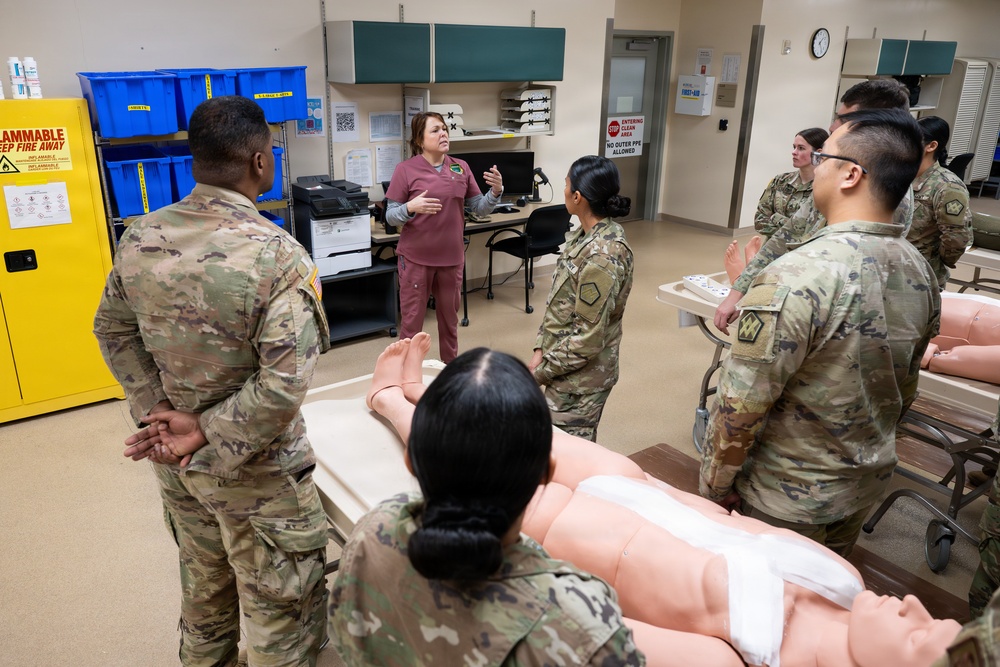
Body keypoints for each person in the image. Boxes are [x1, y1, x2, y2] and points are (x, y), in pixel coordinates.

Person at [354, 334, 961, 667]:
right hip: (641, 493)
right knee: (522, 429)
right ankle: (424, 392)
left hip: (587, 533)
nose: (912, 604)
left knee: (479, 466)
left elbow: (594, 634)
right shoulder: (849, 585)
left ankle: (390, 402)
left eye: (918, 637)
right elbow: (730, 525)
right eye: (933, 616)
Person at [93, 96, 331, 667]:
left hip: (177, 467)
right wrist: (204, 429)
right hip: (258, 474)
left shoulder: (139, 237)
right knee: (283, 615)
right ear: (259, 161)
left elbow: (112, 331)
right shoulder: (278, 255)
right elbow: (281, 383)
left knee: (206, 592)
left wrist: (159, 415)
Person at [699, 108, 941, 557]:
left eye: (823, 156)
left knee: (771, 613)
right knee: (823, 607)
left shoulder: (794, 276)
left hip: (787, 497)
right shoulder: (919, 271)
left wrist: (714, 489)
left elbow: (739, 408)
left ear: (850, 174)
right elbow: (904, 391)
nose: (814, 166)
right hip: (860, 486)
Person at [330, 339, 644, 666]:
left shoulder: (374, 533)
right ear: (546, 475)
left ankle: (394, 399)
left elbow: (345, 632)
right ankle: (395, 397)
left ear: (410, 461)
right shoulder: (585, 624)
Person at [714, 78, 912, 334]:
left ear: (875, 124)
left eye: (843, 118)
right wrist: (738, 291)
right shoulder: (836, 176)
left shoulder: (890, 194)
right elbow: (787, 235)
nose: (833, 126)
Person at [528, 155, 634, 441]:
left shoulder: (602, 256)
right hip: (562, 366)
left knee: (569, 456)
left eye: (565, 184)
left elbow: (588, 338)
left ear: (577, 196)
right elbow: (559, 305)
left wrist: (538, 375)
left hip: (581, 380)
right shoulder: (582, 237)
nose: (563, 190)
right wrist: (540, 349)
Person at [385, 111, 504, 363]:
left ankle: (450, 374)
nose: (443, 134)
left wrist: (495, 191)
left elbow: (477, 209)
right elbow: (390, 216)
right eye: (435, 130)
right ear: (419, 139)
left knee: (450, 323)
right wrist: (410, 207)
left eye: (445, 129)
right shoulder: (405, 170)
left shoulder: (460, 167)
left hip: (451, 258)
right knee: (411, 327)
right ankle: (406, 376)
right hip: (417, 259)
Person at [908, 116, 974, 289]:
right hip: (889, 269)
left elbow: (956, 239)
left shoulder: (947, 186)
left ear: (931, 146)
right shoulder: (898, 175)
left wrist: (934, 262)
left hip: (921, 277)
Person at [754, 127, 829, 238]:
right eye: (794, 147)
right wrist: (795, 230)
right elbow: (760, 221)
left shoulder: (826, 187)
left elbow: (817, 233)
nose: (794, 152)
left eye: (801, 148)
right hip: (771, 252)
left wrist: (776, 218)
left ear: (818, 153)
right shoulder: (780, 181)